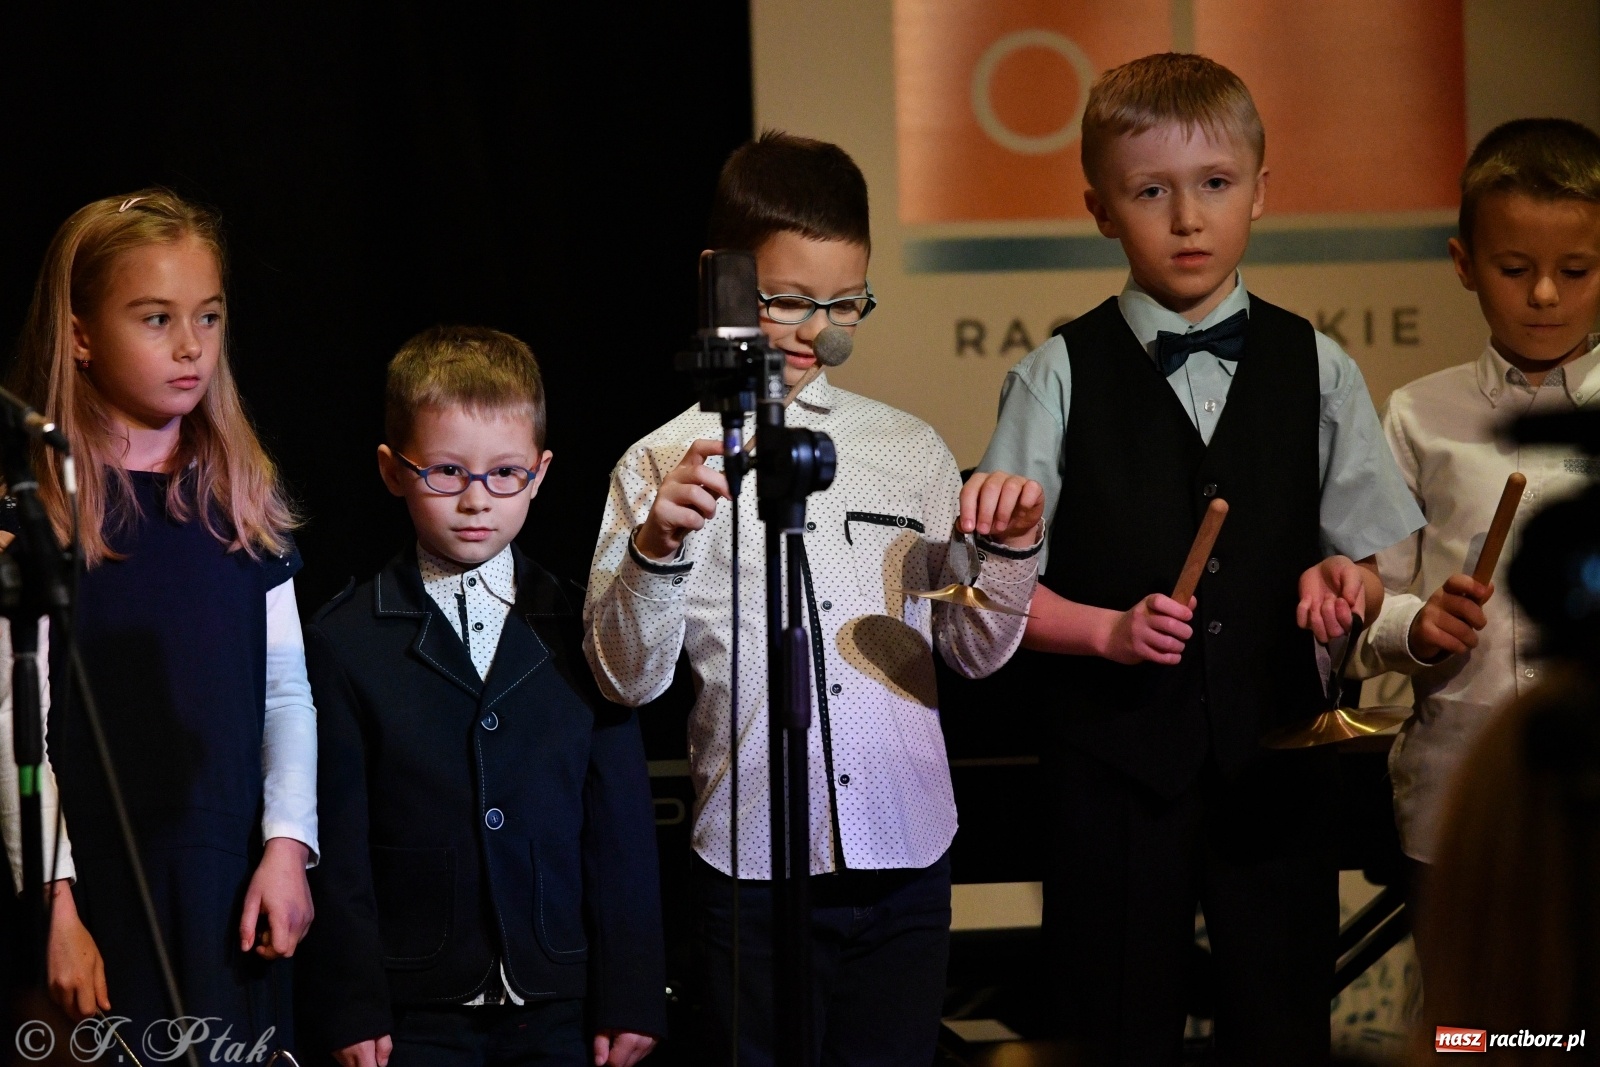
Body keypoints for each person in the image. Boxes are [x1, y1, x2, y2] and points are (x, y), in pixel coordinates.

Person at [973, 54, 1424, 1064]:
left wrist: (1343, 583)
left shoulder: (1320, 364)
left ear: (1261, 191)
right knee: (1112, 1020)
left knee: (1282, 1018)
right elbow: (995, 598)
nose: (1186, 218)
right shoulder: (1052, 374)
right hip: (1109, 767)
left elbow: (1363, 563)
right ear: (1099, 208)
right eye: (1150, 191)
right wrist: (1107, 630)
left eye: (1214, 185)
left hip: (1274, 761)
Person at [583, 131, 1044, 1067]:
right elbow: (627, 681)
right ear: (721, 281)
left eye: (844, 303)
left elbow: (973, 650)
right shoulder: (659, 459)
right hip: (748, 864)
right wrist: (658, 546)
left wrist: (1013, 553)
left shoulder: (907, 448)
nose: (811, 331)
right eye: (784, 300)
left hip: (906, 856)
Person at [0, 189, 317, 1041]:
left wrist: (289, 843)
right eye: (155, 319)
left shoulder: (239, 497)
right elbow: (11, 721)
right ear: (80, 334)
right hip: (95, 892)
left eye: (208, 317)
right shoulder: (39, 511)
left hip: (228, 886)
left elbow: (285, 691)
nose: (191, 347)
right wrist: (55, 905)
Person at [300, 326, 663, 1067]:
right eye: (445, 471)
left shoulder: (586, 621)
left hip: (562, 998)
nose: (475, 500)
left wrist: (632, 987)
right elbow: (338, 843)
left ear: (540, 470)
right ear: (392, 469)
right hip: (414, 1007)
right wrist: (352, 998)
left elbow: (620, 824)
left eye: (504, 473)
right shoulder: (346, 637)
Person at [1350, 118, 1600, 987]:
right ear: (1464, 264)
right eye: (1513, 268)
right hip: (1460, 801)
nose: (1544, 296)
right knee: (1473, 1031)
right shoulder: (1417, 415)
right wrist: (1419, 626)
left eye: (1574, 272)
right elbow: (1364, 604)